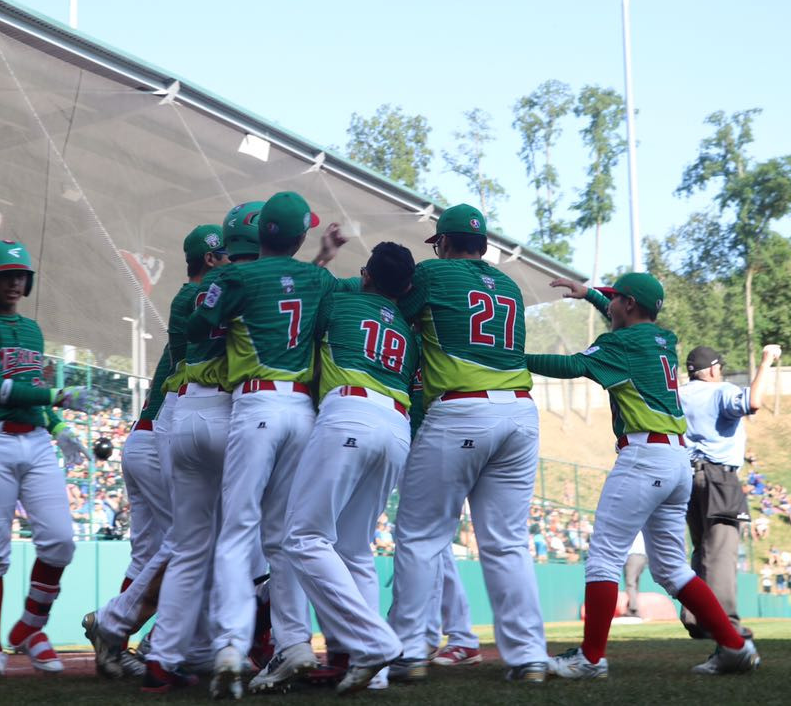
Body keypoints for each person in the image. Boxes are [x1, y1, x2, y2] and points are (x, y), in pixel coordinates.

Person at [527, 273, 760, 679]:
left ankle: (591, 658)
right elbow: (628, 320)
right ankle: (735, 647)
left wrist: (512, 356)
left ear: (629, 304)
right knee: (671, 568)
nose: (611, 304)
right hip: (677, 460)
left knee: (603, 558)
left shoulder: (621, 344)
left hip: (643, 457)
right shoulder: (664, 340)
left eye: (616, 299)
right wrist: (594, 297)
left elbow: (572, 365)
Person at [190, 191, 354, 697]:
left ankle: (232, 646)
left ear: (259, 233)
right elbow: (322, 291)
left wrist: (228, 316)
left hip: (256, 405)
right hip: (303, 411)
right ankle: (295, 643)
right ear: (301, 235)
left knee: (239, 530)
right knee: (283, 536)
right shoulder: (318, 277)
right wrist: (323, 258)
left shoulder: (236, 276)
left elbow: (199, 325)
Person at [385, 204, 550, 685]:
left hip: (461, 409)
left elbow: (393, 311)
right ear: (484, 245)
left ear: (444, 243)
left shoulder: (433, 274)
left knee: (420, 536)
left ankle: (412, 651)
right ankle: (529, 657)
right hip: (520, 413)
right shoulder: (513, 287)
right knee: (507, 544)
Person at [86, 224, 229, 680]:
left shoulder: (201, 302)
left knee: (153, 553)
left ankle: (122, 644)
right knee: (190, 542)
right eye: (229, 255)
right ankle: (125, 626)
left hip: (146, 436)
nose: (237, 263)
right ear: (210, 260)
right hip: (163, 435)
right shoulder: (203, 300)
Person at [282, 241, 420, 695]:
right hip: (397, 426)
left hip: (350, 412)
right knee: (357, 550)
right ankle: (373, 671)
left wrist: (322, 260)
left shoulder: (341, 302)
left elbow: (300, 309)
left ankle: (375, 641)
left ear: (365, 275)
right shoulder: (408, 327)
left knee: (304, 537)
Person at [0, 240, 90, 679]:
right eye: (5, 275)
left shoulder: (32, 331)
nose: (14, 282)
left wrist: (58, 426)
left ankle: (29, 627)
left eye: (20, 275)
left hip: (34, 441)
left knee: (61, 540)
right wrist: (58, 397)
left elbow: (28, 390)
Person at [678, 342, 781, 640]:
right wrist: (765, 362)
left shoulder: (679, 394)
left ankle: (696, 618)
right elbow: (752, 403)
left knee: (701, 550)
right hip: (718, 476)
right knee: (721, 552)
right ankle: (726, 625)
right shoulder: (720, 390)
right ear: (712, 370)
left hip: (686, 475)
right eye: (720, 368)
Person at [621, 532, 647, 618]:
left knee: (630, 584)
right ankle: (631, 609)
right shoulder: (642, 526)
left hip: (632, 556)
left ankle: (633, 609)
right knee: (634, 584)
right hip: (642, 557)